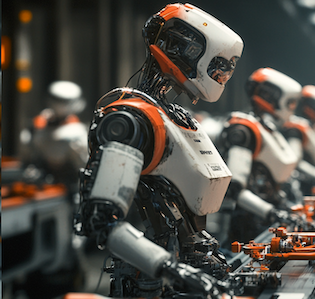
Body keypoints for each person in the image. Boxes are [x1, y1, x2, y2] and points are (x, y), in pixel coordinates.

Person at [73, 3, 243, 297]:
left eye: (225, 70)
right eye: (217, 66)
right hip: (150, 280)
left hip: (182, 272)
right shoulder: (132, 120)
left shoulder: (173, 116)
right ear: (188, 52)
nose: (220, 77)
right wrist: (172, 270)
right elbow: (103, 222)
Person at [215, 67, 304, 244]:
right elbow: (235, 189)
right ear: (272, 96)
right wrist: (271, 212)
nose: (292, 109)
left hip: (268, 219)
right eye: (290, 102)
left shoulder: (265, 128)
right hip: (246, 222)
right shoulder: (244, 130)